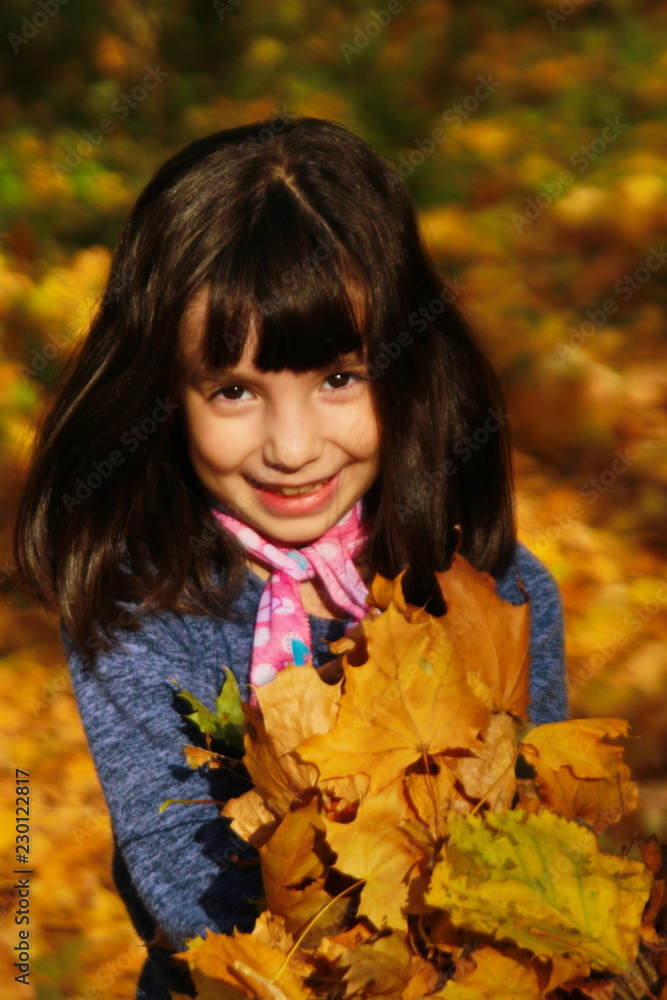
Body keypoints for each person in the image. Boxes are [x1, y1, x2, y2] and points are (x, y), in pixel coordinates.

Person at [13, 115, 568, 999]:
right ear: (166, 393)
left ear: (405, 364)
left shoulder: (498, 592)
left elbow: (535, 841)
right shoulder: (147, 610)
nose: (293, 446)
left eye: (338, 379)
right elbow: (188, 886)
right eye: (233, 390)